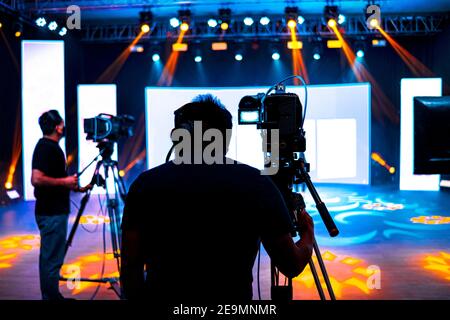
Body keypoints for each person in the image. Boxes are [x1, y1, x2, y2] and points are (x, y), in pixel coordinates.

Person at [120, 95, 314, 301]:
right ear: (225, 140)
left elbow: (130, 268)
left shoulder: (145, 185)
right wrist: (308, 234)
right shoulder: (256, 184)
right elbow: (291, 265)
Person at [31, 110, 88, 300]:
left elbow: (55, 178)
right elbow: (37, 179)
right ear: (57, 127)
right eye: (62, 123)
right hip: (51, 213)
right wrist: (65, 182)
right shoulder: (46, 147)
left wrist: (77, 187)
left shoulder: (50, 147)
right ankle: (51, 297)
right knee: (51, 259)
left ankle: (52, 295)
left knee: (52, 258)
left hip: (54, 212)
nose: (64, 126)